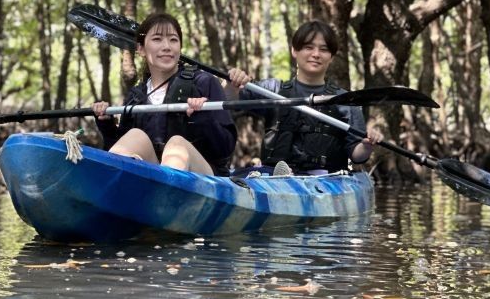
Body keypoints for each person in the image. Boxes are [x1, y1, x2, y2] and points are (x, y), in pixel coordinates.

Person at [92, 12, 243, 176]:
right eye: (157, 39)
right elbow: (117, 149)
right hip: (156, 176)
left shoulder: (203, 82)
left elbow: (225, 149)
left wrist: (202, 118)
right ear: (141, 49)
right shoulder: (135, 97)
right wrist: (106, 125)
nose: (167, 47)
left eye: (173, 40)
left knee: (176, 145)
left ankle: (164, 196)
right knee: (135, 136)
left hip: (204, 178)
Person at [227, 20, 383, 175]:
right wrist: (232, 84)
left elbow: (357, 156)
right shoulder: (273, 90)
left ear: (331, 57)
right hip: (273, 179)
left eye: (323, 49)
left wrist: (367, 146)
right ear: (294, 51)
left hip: (326, 182)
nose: (316, 54)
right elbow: (230, 101)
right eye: (308, 47)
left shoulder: (346, 101)